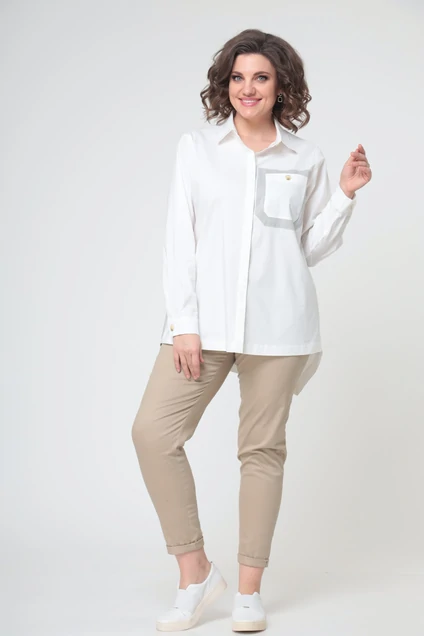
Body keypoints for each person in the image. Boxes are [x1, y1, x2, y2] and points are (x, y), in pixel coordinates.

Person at [131, 28, 372, 633]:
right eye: (238, 77)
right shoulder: (197, 149)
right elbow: (179, 239)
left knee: (262, 453)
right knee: (153, 434)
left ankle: (248, 592)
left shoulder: (305, 158)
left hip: (280, 327)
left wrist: (343, 197)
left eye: (260, 77)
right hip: (204, 326)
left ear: (281, 85)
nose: (248, 88)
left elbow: (306, 248)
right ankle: (194, 572)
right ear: (225, 84)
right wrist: (185, 325)